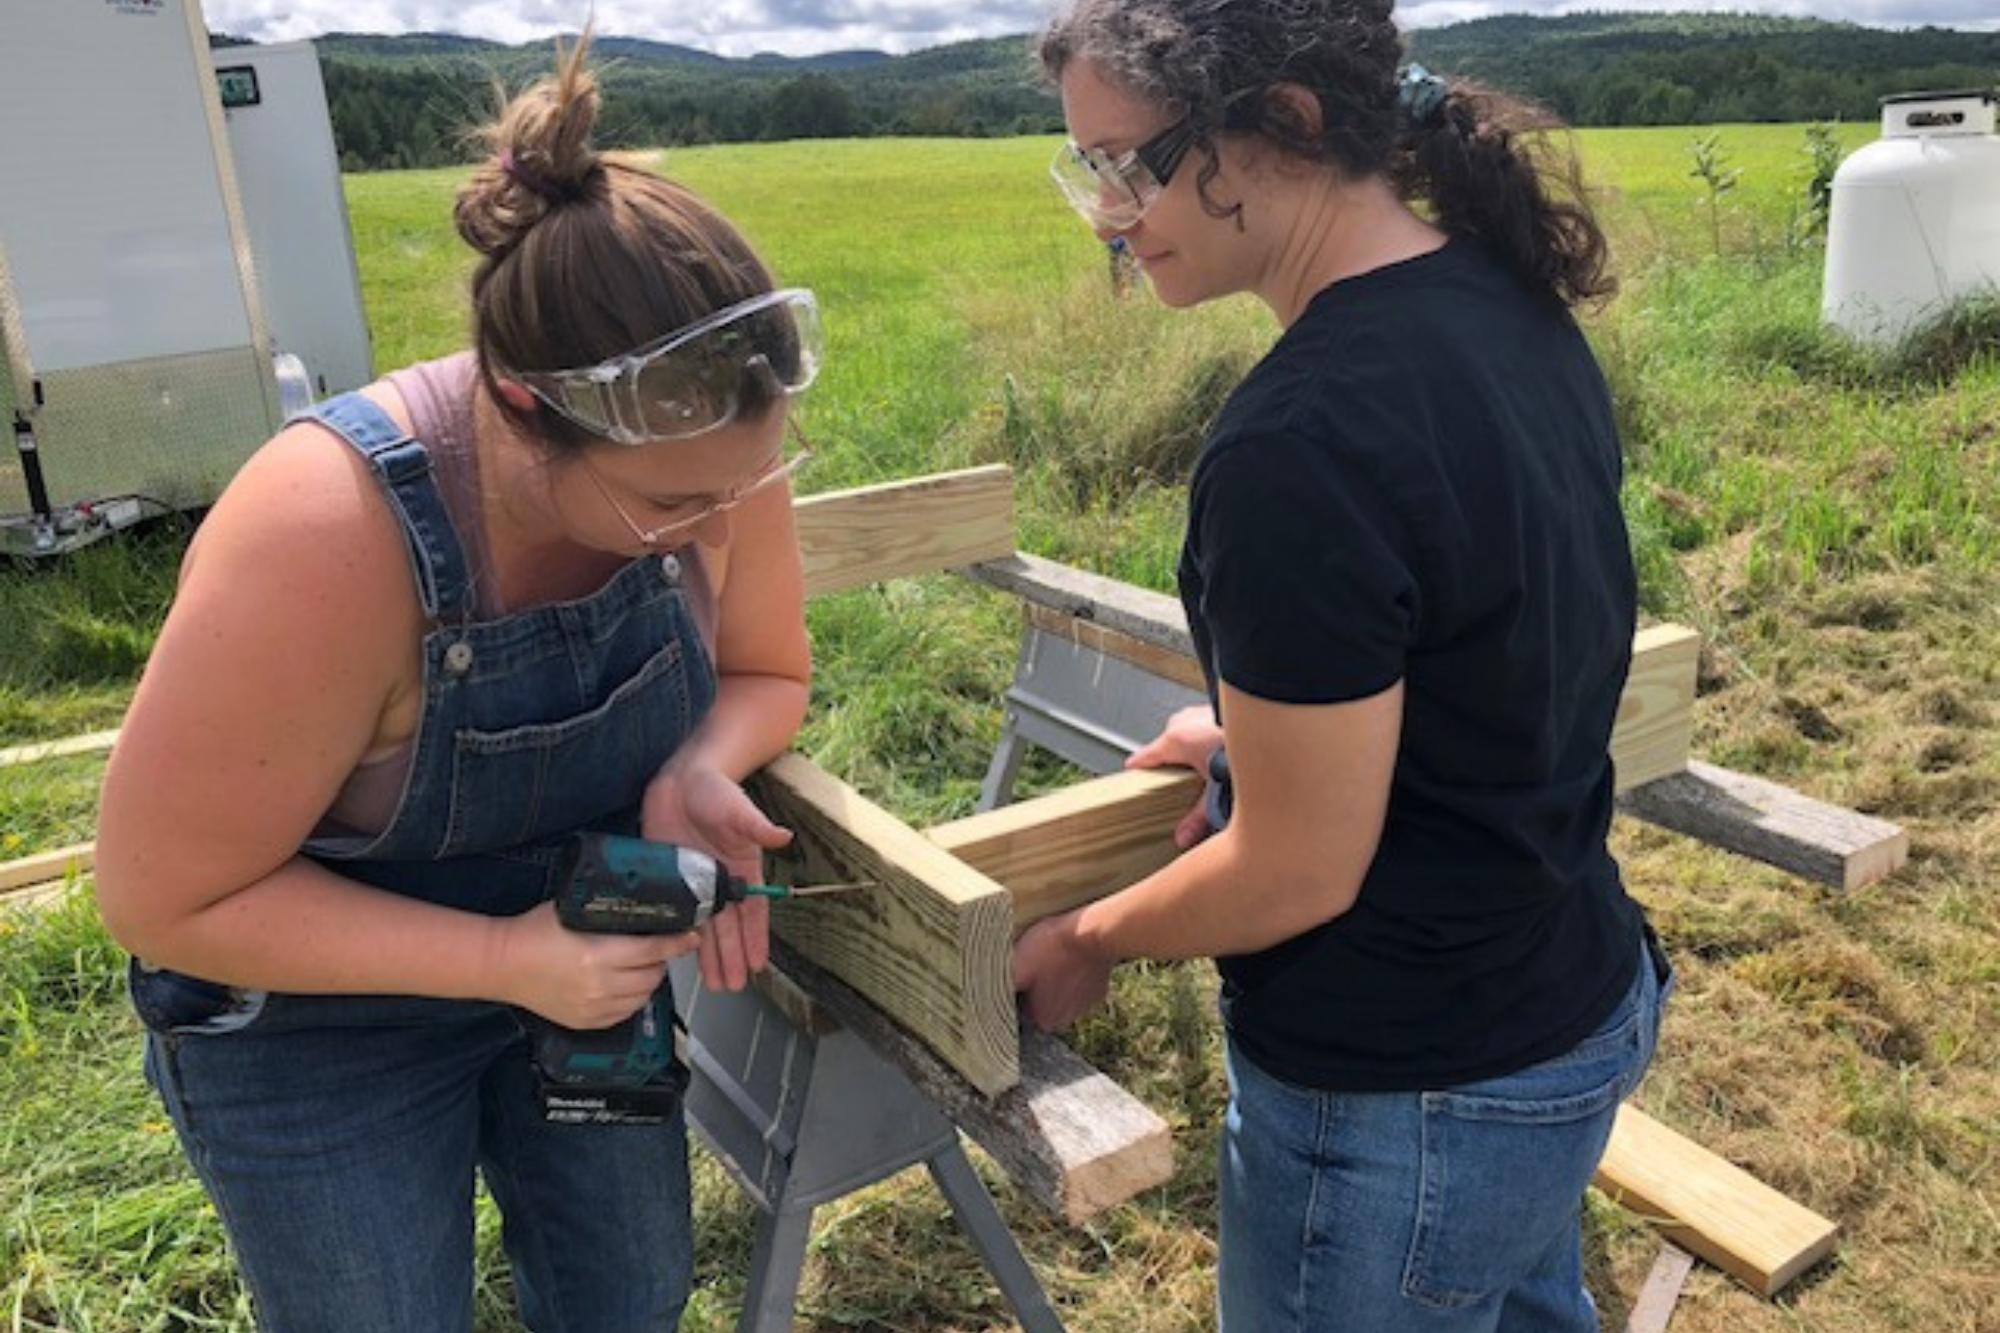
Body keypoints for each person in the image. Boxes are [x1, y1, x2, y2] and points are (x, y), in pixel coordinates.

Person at [94, 33, 814, 1333]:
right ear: (519, 403)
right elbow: (160, 893)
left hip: (584, 951)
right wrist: (498, 955)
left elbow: (765, 666)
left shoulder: (710, 443)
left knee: (631, 1292)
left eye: (739, 488)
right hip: (318, 1020)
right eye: (671, 506)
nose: (718, 521)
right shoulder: (327, 537)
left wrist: (693, 763)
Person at [1012, 2, 1674, 1329]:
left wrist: (1087, 937)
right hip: (1574, 1008)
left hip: (1408, 1102)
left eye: (1131, 161)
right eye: (1086, 167)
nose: (1108, 211)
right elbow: (1489, 652)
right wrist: (1254, 741)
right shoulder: (1506, 302)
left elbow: (1298, 873)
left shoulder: (1295, 447)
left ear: (1289, 122)